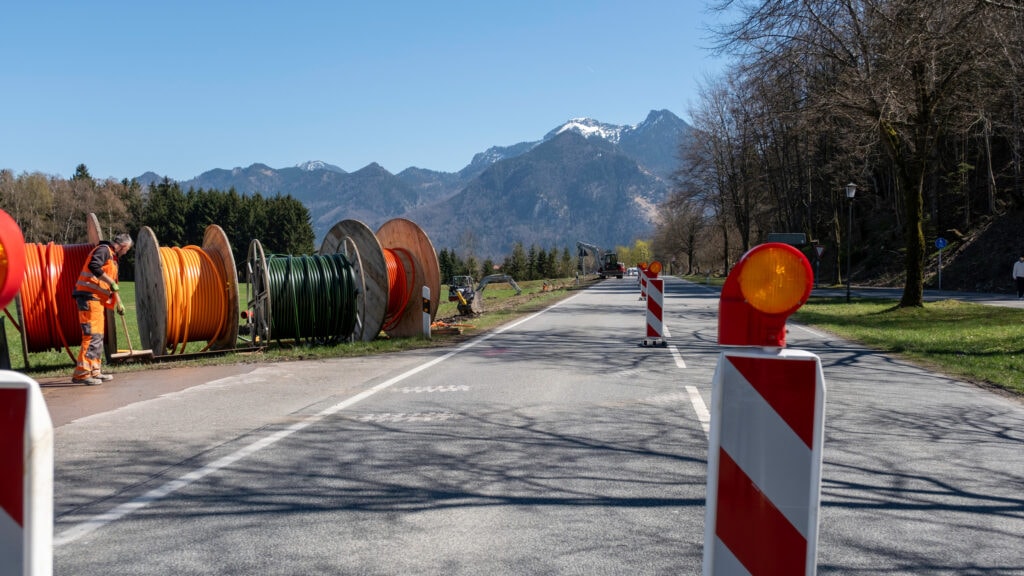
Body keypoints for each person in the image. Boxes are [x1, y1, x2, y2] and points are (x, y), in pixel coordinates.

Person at [72, 233, 133, 385]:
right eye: (127, 250)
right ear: (124, 246)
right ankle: (82, 374)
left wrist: (119, 303)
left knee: (98, 336)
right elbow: (94, 266)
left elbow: (113, 285)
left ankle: (95, 371)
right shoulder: (104, 250)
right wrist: (110, 281)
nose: (126, 253)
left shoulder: (113, 258)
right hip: (88, 297)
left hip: (97, 300)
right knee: (91, 335)